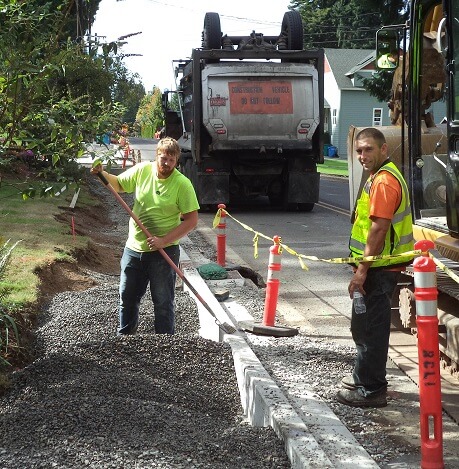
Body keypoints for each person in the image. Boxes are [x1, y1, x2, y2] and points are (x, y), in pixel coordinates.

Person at [337, 128, 414, 408]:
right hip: (375, 268)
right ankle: (363, 376)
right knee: (363, 325)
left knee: (371, 329)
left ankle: (371, 390)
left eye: (368, 149)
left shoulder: (384, 181)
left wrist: (362, 271)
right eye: (359, 150)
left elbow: (379, 229)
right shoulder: (378, 177)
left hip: (378, 269)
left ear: (384, 149)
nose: (362, 155)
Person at [91, 137, 199, 335]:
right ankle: (125, 339)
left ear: (176, 161)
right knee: (127, 298)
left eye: (171, 160)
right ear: (156, 155)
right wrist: (102, 174)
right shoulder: (142, 171)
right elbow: (120, 185)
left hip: (164, 252)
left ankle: (165, 345)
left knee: (163, 302)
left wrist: (163, 240)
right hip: (134, 248)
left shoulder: (182, 185)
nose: (165, 163)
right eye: (162, 158)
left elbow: (191, 221)